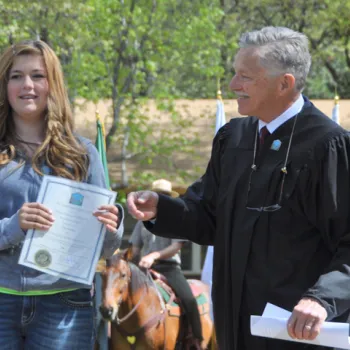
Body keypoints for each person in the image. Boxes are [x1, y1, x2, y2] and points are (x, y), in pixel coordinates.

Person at [127, 26, 350, 350]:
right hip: (235, 329)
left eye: (245, 77)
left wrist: (322, 300)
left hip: (297, 334)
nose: (233, 85)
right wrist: (162, 208)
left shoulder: (328, 147)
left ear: (284, 83)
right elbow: (208, 215)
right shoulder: (234, 138)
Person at [0, 40, 124, 349]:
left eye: (37, 76)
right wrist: (14, 225)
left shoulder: (83, 154)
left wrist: (112, 227)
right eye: (16, 76)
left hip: (65, 303)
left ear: (52, 84)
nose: (27, 85)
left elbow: (105, 249)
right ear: (5, 85)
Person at [129, 179, 203, 349]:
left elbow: (176, 246)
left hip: (169, 267)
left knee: (188, 299)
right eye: (158, 194)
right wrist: (125, 258)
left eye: (164, 196)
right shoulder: (142, 220)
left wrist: (154, 255)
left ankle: (197, 339)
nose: (161, 198)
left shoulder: (176, 219)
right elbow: (135, 247)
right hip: (145, 269)